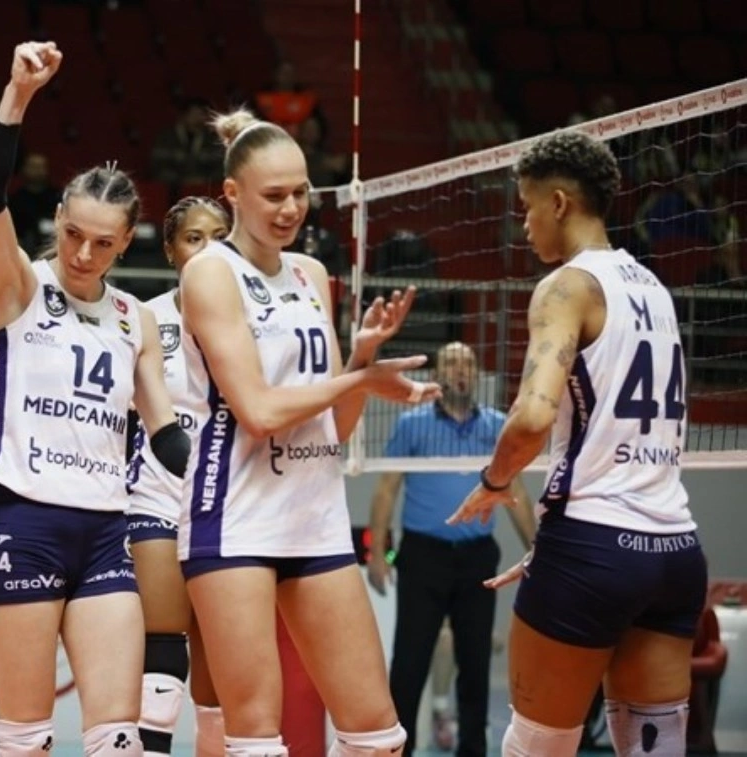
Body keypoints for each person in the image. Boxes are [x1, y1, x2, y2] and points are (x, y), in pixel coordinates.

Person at [178, 107, 442, 757]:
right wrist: (360, 379)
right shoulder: (210, 271)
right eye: (274, 195)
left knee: (377, 734)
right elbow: (259, 411)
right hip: (235, 516)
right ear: (232, 193)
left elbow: (333, 427)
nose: (292, 208)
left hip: (314, 513)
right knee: (255, 736)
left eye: (300, 192)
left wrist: (361, 360)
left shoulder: (311, 274)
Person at [449, 130, 707, 757]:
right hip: (675, 551)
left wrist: (494, 482)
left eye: (527, 207)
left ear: (559, 203)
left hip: (593, 548)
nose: (524, 224)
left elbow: (531, 417)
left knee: (536, 745)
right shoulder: (654, 288)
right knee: (654, 747)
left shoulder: (567, 286)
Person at [0, 42, 187, 757]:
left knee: (120, 739)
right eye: (72, 234)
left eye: (102, 243)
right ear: (57, 218)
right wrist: (18, 96)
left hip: (103, 534)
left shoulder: (135, 318)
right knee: (26, 740)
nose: (83, 254)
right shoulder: (19, 286)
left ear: (125, 244)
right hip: (23, 521)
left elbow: (168, 435)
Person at [366, 341, 537, 756]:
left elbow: (515, 492)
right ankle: (397, 750)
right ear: (437, 375)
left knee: (475, 665)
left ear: (476, 374)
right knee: (409, 664)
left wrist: (540, 550)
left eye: (468, 364)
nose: (461, 370)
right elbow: (387, 488)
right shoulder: (412, 424)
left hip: (477, 558)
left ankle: (472, 750)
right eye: (452, 363)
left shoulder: (497, 426)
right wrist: (378, 555)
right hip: (422, 557)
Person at [124, 196, 230, 757]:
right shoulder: (144, 317)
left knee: (220, 676)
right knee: (162, 656)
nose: (207, 248)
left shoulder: (253, 320)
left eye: (219, 237)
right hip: (158, 495)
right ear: (170, 250)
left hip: (229, 503)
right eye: (193, 238)